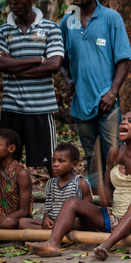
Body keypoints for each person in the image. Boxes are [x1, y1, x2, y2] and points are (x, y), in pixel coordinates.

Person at [26, 110, 131, 260]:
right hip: (116, 220)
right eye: (123, 120)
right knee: (71, 202)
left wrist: (126, 163)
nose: (123, 122)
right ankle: (52, 244)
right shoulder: (114, 151)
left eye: (130, 121)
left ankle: (106, 245)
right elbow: (108, 191)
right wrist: (104, 194)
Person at [60, 0, 131, 194]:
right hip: (82, 103)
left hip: (107, 103)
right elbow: (60, 58)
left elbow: (124, 59)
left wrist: (112, 92)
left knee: (114, 153)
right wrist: (69, 81)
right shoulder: (67, 21)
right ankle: (95, 203)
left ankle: (119, 200)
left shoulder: (111, 18)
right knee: (91, 155)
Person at [0, 0, 64, 178]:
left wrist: (16, 70)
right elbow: (2, 63)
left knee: (52, 163)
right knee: (5, 162)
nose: (13, 2)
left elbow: (55, 64)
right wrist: (37, 58)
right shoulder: (3, 30)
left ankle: (62, 202)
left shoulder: (51, 28)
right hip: (11, 107)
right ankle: (8, 205)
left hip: (40, 108)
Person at [18, 143, 92, 230]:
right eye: (53, 160)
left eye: (61, 161)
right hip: (53, 224)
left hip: (72, 225)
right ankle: (55, 234)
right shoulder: (51, 183)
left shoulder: (80, 183)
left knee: (77, 224)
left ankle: (53, 235)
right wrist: (46, 218)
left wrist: (66, 224)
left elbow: (88, 214)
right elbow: (49, 208)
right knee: (22, 222)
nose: (55, 164)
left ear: (74, 164)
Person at [0, 129, 32, 229]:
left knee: (8, 222)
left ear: (11, 148)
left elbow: (24, 211)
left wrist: (2, 220)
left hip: (15, 219)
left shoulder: (21, 174)